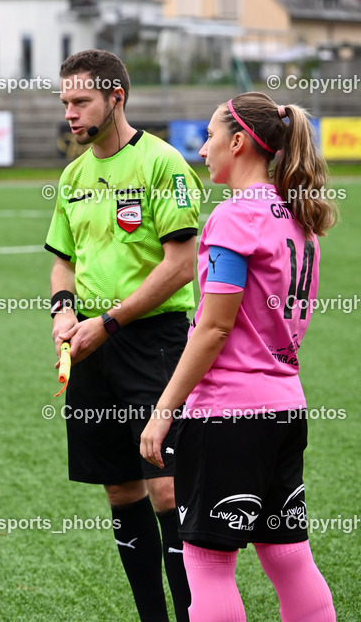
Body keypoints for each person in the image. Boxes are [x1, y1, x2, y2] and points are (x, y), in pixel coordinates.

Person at [140, 92, 337, 621]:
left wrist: (164, 410)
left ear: (238, 142)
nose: (201, 149)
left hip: (228, 414)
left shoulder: (233, 218)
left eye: (208, 136)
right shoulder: (297, 217)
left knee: (207, 565)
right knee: (289, 557)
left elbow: (213, 328)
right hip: (283, 408)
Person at [45, 49, 200, 621]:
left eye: (81, 101)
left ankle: (193, 614)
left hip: (153, 342)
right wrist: (63, 312)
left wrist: (108, 322)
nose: (70, 113)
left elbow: (180, 265)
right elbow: (62, 260)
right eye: (65, 102)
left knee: (166, 489)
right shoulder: (73, 176)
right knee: (119, 489)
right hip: (88, 343)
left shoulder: (163, 164)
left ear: (117, 97)